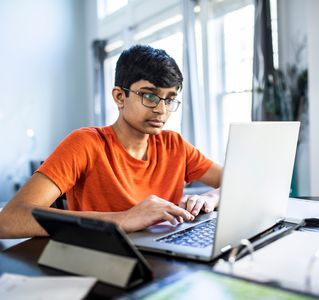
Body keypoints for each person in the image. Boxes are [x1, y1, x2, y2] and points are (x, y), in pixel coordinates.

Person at [0, 44, 222, 238]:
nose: (161, 110)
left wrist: (212, 197)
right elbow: (9, 219)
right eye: (150, 96)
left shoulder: (175, 145)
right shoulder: (86, 143)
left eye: (170, 99)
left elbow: (240, 183)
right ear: (119, 96)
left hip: (168, 257)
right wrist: (124, 219)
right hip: (104, 258)